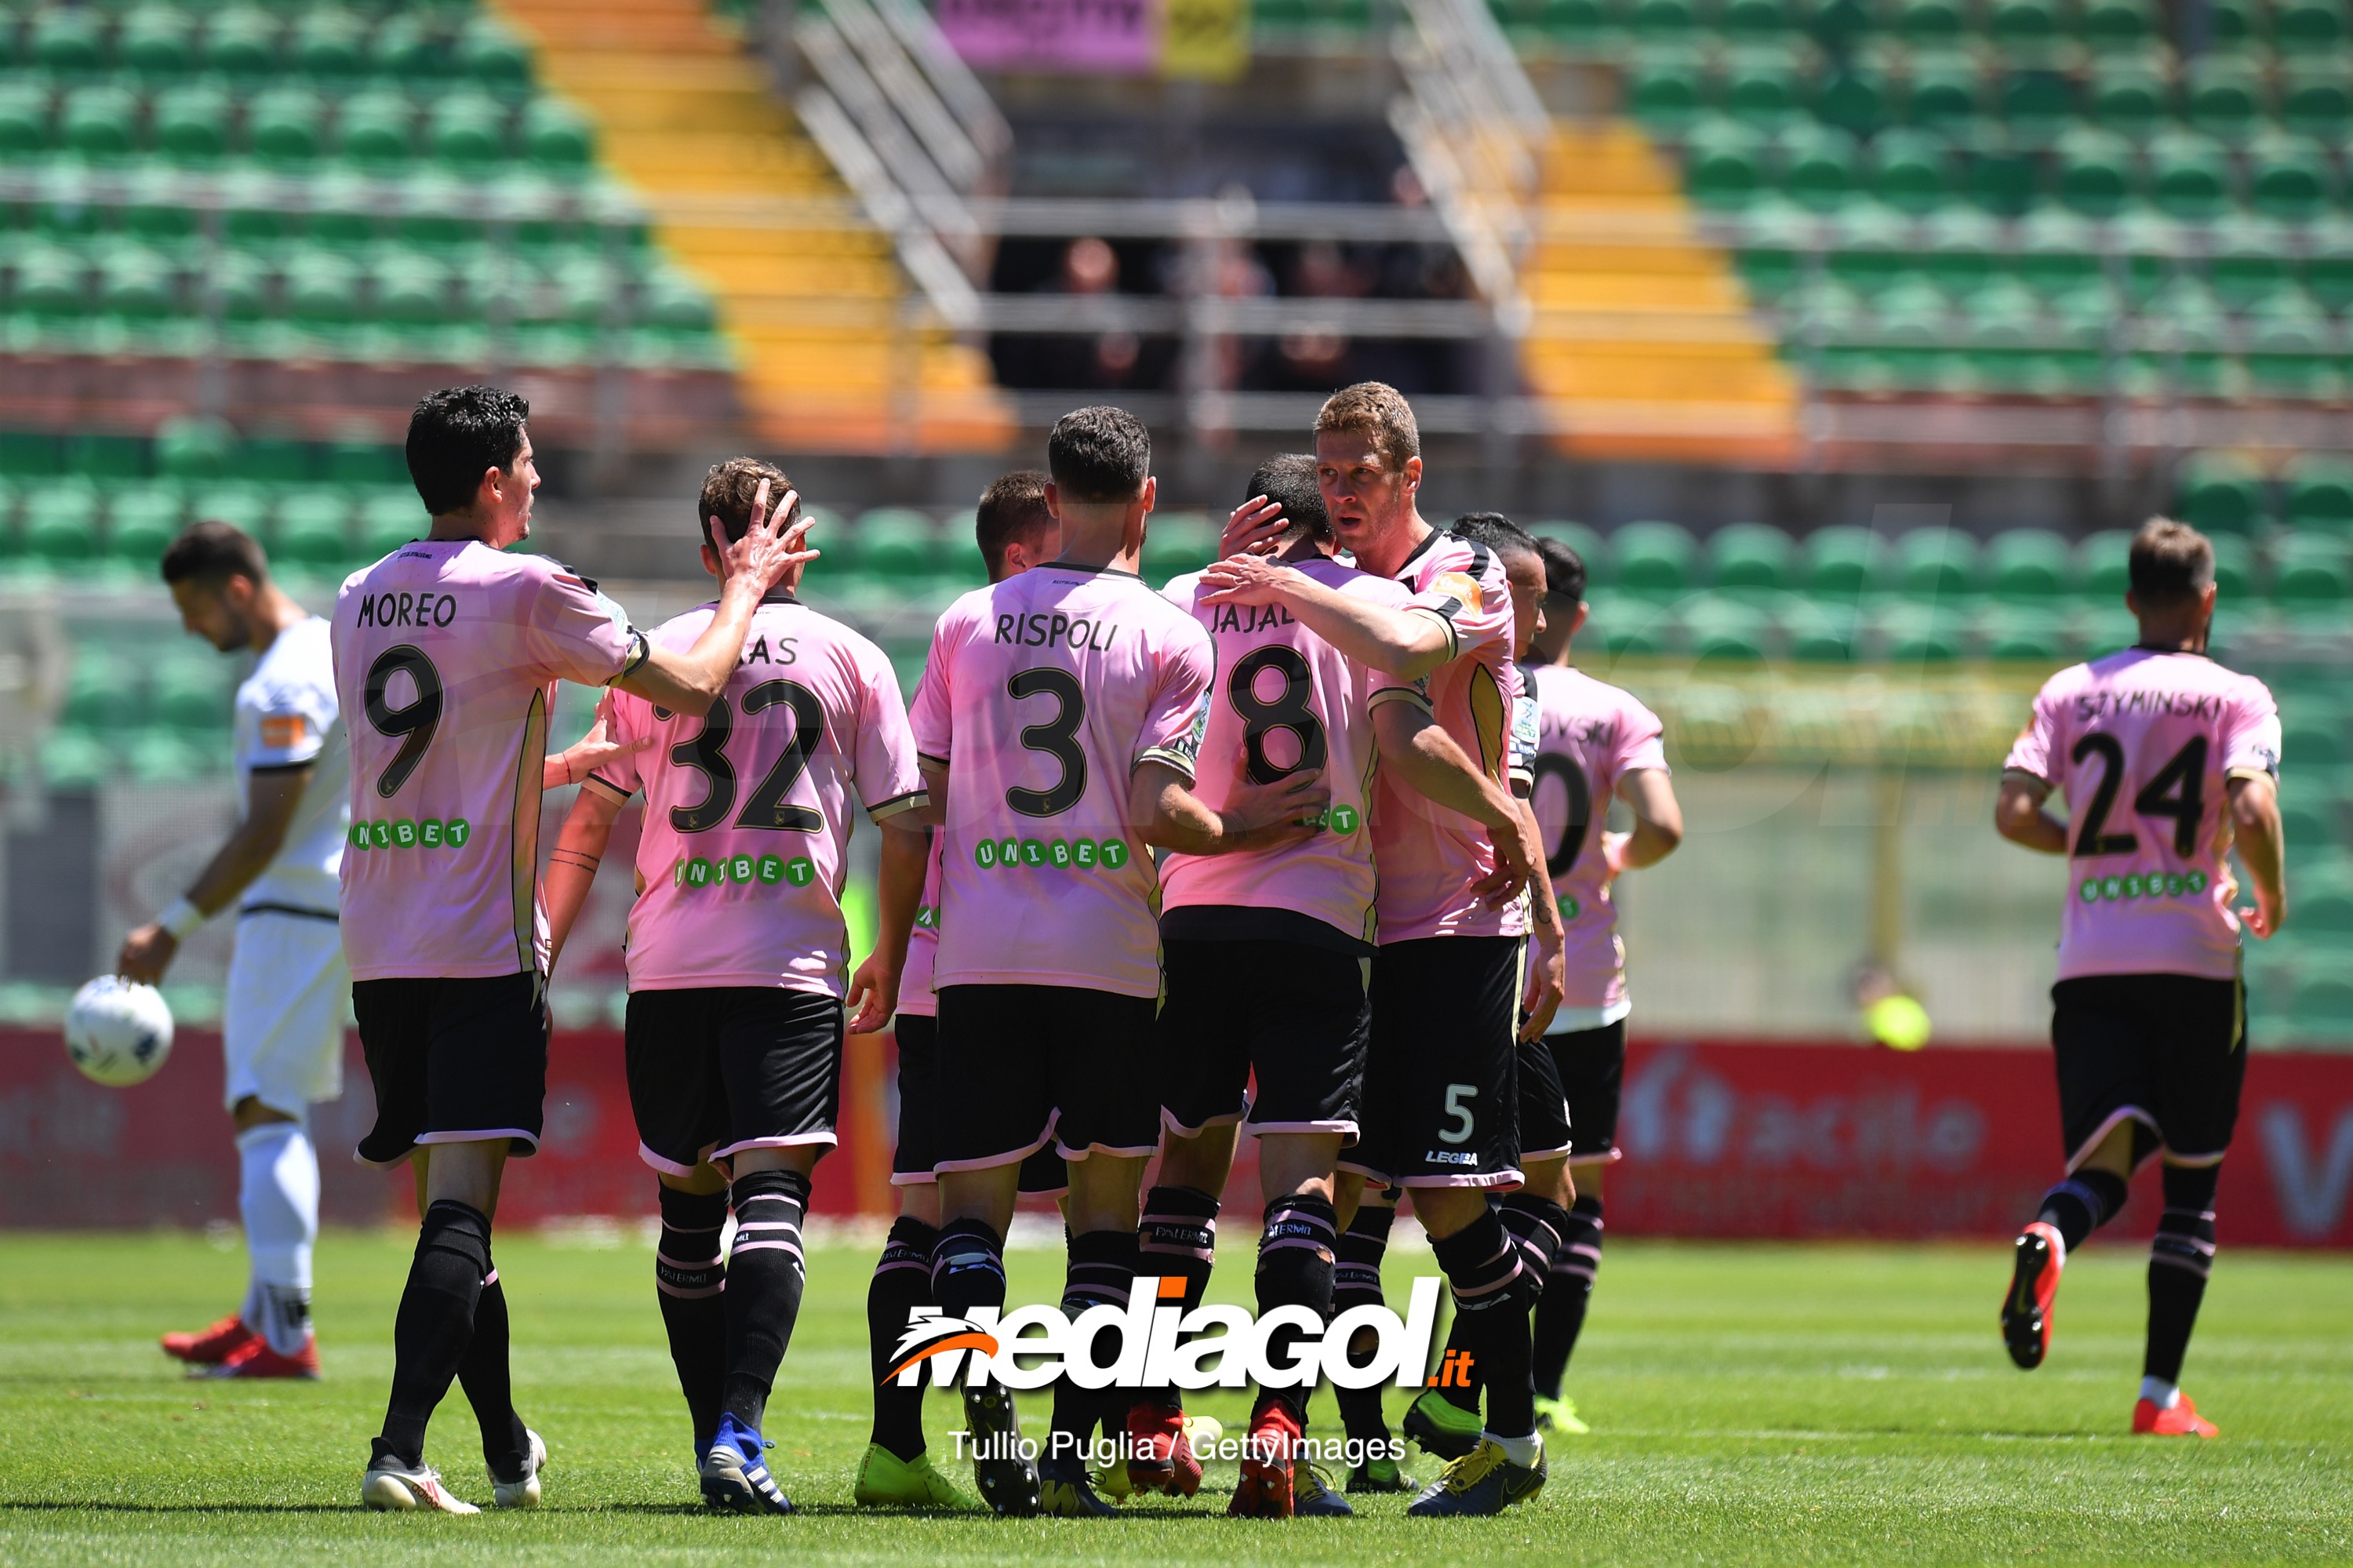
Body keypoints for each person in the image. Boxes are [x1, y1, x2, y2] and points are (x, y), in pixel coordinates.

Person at [336, 387, 810, 1514]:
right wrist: (742, 586)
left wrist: (555, 766)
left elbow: (427, 752)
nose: (541, 479)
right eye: (531, 463)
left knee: (457, 1202)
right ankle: (398, 1446)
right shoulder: (530, 590)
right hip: (479, 941)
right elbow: (694, 689)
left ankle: (505, 1445)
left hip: (380, 937)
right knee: (462, 1205)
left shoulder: (358, 595)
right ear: (494, 480)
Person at [911, 406, 1327, 1517]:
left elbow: (917, 804)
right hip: (1106, 952)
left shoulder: (965, 620)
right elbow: (1158, 808)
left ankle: (985, 1423)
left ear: (1050, 500)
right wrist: (1250, 828)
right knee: (1104, 1220)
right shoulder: (1165, 635)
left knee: (971, 1220)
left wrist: (901, 932)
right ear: (1146, 499)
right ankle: (1065, 1461)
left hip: (981, 951)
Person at [539, 457, 924, 1513]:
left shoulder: (658, 654)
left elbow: (590, 817)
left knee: (686, 1215)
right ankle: (741, 1433)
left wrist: (540, 946)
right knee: (772, 1198)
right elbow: (904, 819)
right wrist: (889, 945)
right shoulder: (854, 656)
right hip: (788, 961)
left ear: (709, 544)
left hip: (666, 964)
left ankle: (717, 1435)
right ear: (798, 535)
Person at [1200, 383, 1557, 1518]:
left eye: (1361, 471)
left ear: (1411, 476)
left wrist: (1513, 840)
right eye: (1329, 468)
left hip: (1449, 923)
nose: (1341, 489)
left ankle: (1507, 1438)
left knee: (1450, 1198)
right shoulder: (1336, 580)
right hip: (1350, 922)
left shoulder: (1462, 574)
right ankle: (1302, 1442)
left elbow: (1404, 699)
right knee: (1337, 1196)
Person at [1148, 453, 1424, 1518]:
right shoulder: (1370, 600)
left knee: (1186, 1160)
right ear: (1332, 530)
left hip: (1195, 910)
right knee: (1304, 1179)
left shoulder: (1181, 598)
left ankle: (1153, 1412)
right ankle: (1278, 1428)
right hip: (1317, 909)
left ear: (1248, 519)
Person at [1992, 516, 2285, 1440]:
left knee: (2105, 1161)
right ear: (2207, 599)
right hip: (2194, 954)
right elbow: (2249, 800)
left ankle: (2051, 1235)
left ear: (2129, 600)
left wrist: (2087, 849)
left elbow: (2013, 811)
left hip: (2092, 959)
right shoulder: (2237, 694)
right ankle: (2159, 1394)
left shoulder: (2072, 691)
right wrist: (2268, 891)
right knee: (2191, 1185)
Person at [1407, 521, 1683, 1450]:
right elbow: (1665, 826)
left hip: (1469, 947)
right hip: (1573, 971)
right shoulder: (1607, 708)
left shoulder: (1460, 671)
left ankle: (1452, 1390)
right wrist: (1608, 857)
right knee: (1565, 1195)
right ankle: (1532, 1393)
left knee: (1465, 1192)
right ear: (1577, 610)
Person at [851, 469, 1075, 1512]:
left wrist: (893, 953)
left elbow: (904, 820)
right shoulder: (1053, 652)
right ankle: (1093, 1434)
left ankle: (902, 1444)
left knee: (928, 1220)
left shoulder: (945, 661)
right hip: (1051, 966)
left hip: (947, 975)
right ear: (1025, 554)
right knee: (1102, 1210)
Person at [127, 521, 351, 1381]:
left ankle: (287, 1330)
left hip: (295, 907)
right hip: (323, 904)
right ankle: (265, 1310)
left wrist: (170, 926)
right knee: (270, 1105)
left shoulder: (283, 679)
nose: (190, 628)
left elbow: (267, 829)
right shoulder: (327, 652)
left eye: (193, 607)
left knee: (266, 1108)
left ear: (237, 587)